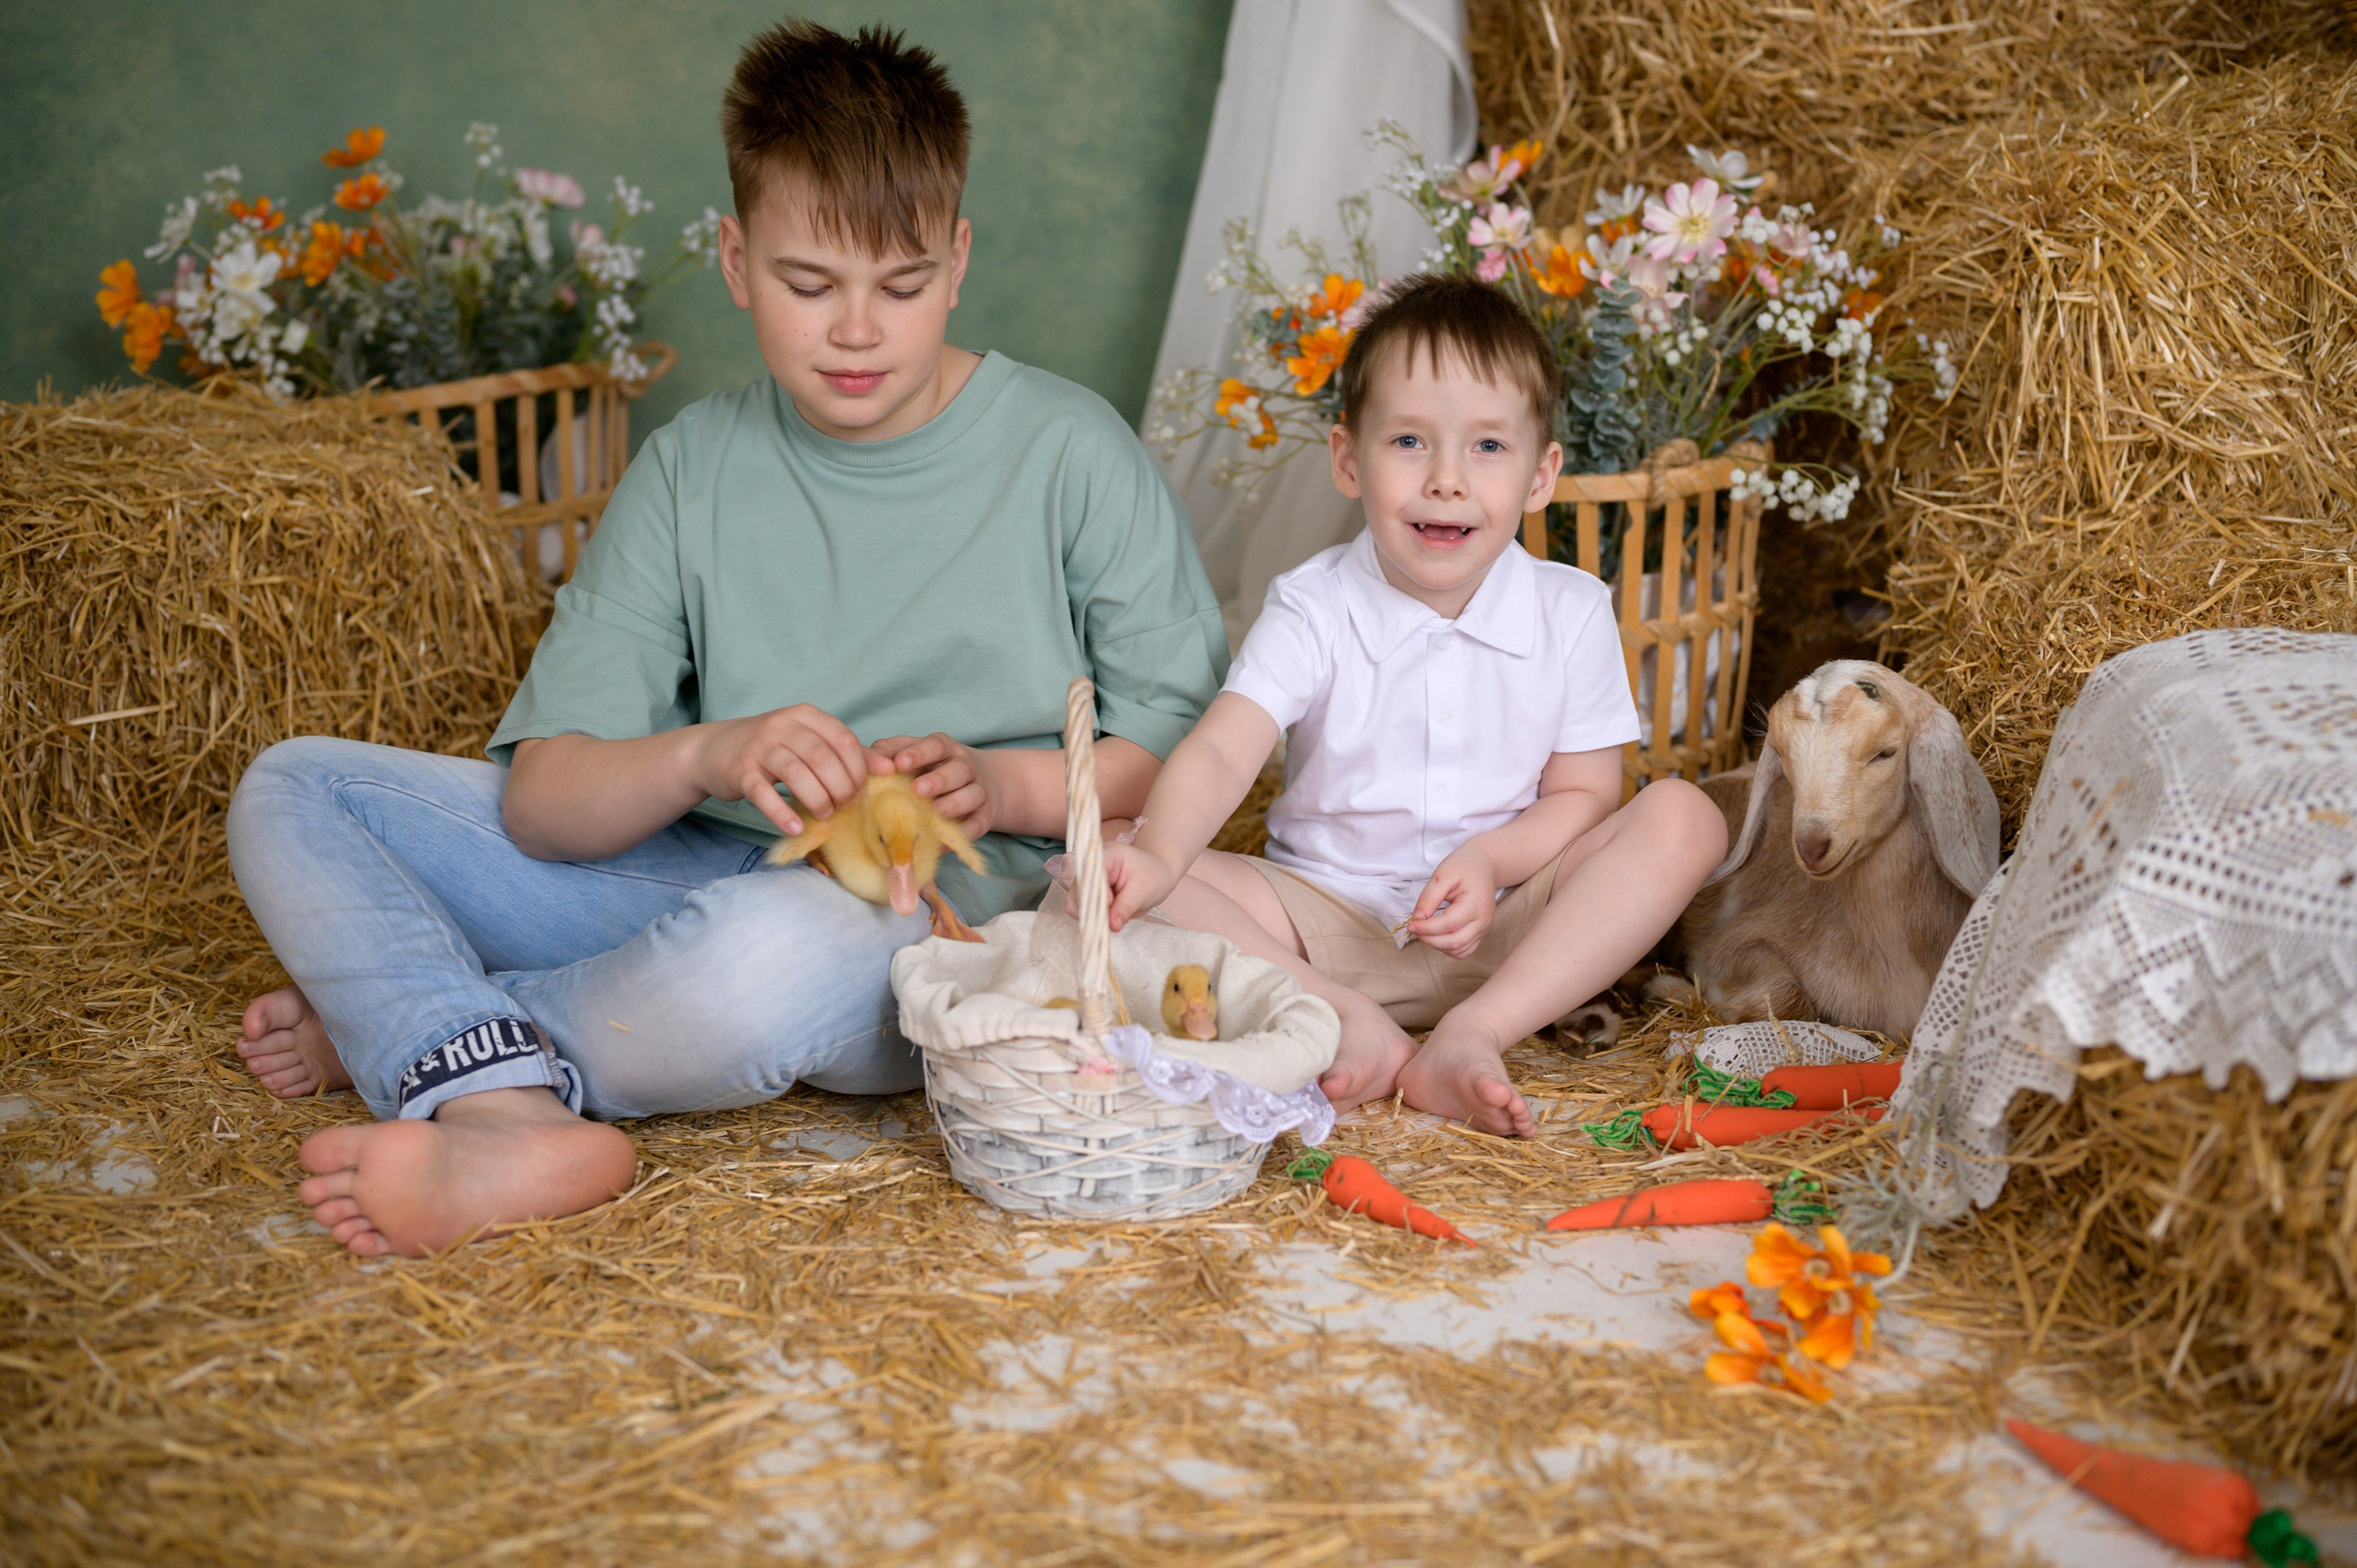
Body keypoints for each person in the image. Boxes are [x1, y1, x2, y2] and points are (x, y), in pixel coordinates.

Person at [226, 20, 1226, 1256]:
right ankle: (495, 1102)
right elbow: (543, 803)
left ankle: (422, 1031)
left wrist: (1009, 778)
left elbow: (1188, 754)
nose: (857, 330)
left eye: (901, 285)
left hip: (936, 927)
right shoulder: (691, 466)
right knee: (295, 789)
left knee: (759, 957)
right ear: (737, 260)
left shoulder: (1072, 452)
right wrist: (706, 755)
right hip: (696, 869)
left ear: (958, 262)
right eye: (810, 284)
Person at [1092, 274, 1727, 1137]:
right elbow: (1218, 751)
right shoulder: (1313, 605)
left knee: (1685, 816)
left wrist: (1496, 858)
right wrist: (1163, 857)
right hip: (1319, 926)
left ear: (1542, 475)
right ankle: (1342, 1014)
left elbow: (1586, 796)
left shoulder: (1570, 608)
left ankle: (1475, 1031)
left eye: (1488, 448)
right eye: (1408, 441)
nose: (1446, 481)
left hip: (1507, 931)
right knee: (1107, 854)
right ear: (1348, 458)